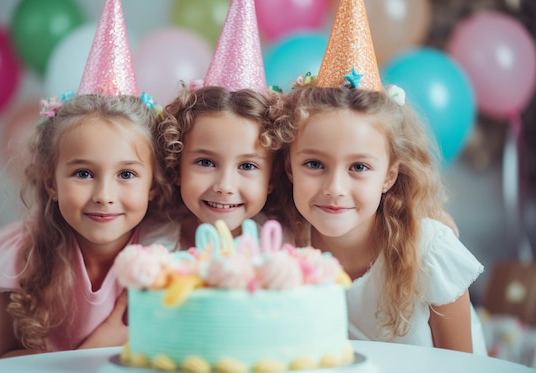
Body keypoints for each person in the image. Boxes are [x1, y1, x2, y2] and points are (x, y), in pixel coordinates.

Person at [274, 0, 485, 354]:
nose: (335, 189)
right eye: (314, 164)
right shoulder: (281, 245)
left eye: (358, 167)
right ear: (288, 167)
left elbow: (462, 364)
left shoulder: (428, 251)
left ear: (389, 176)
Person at [0, 0, 171, 357]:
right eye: (82, 173)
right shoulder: (23, 255)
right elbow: (8, 360)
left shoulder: (167, 248)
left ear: (153, 184)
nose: (104, 195)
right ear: (50, 179)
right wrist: (103, 341)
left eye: (126, 174)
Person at [140, 0, 294, 249]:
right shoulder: (153, 246)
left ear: (272, 177)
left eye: (247, 165)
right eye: (206, 162)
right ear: (177, 166)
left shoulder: (282, 247)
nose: (224, 186)